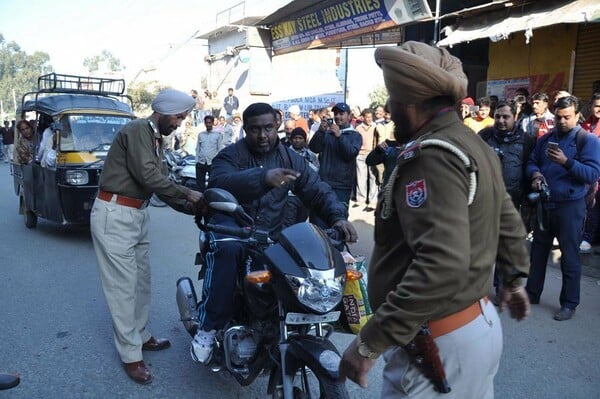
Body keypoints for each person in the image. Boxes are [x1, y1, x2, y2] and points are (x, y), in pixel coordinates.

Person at [339, 41, 531, 398]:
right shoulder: (471, 144)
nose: (390, 111)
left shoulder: (431, 156)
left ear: (409, 103)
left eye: (393, 102)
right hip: (470, 328)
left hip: (438, 345)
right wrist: (515, 277)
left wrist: (369, 342)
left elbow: (441, 264)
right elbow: (506, 218)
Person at [190, 102, 357, 363]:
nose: (263, 135)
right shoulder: (230, 155)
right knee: (228, 251)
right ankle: (208, 328)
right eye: (255, 129)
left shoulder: (291, 158)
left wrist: (338, 217)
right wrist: (262, 178)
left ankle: (280, 327)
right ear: (245, 129)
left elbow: (316, 188)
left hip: (271, 232)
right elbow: (220, 182)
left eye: (268, 128)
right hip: (232, 227)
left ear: (277, 125)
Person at [90, 89, 204, 385]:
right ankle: (131, 355)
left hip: (136, 214)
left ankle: (140, 335)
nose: (179, 123)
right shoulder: (138, 129)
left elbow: (160, 183)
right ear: (163, 111)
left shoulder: (154, 137)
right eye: (178, 117)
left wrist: (194, 209)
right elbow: (150, 178)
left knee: (142, 281)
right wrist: (190, 195)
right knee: (123, 288)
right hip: (115, 214)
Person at [525, 95, 600, 321]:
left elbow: (592, 174)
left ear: (577, 116)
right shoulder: (546, 139)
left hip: (571, 207)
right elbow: (531, 162)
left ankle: (569, 303)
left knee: (569, 256)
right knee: (538, 252)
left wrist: (566, 162)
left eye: (567, 117)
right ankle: (532, 293)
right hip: (546, 203)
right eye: (558, 117)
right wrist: (535, 174)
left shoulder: (587, 141)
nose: (561, 121)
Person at [308, 102, 362, 220]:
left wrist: (339, 136)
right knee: (318, 219)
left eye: (341, 113)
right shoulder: (327, 133)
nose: (338, 116)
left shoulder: (355, 136)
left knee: (337, 220)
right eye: (336, 113)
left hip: (341, 187)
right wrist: (320, 132)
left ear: (349, 116)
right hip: (323, 183)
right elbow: (313, 148)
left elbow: (350, 154)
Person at [283, 127, 320, 227]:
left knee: (300, 224)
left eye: (300, 138)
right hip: (289, 195)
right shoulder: (284, 153)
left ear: (305, 140)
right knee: (288, 224)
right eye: (295, 138)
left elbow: (315, 171)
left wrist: (305, 164)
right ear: (291, 139)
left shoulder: (310, 155)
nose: (297, 140)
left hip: (305, 195)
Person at [580, 92, 600, 252]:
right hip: (589, 173)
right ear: (591, 106)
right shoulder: (585, 126)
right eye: (597, 105)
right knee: (591, 206)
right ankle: (587, 237)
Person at [354, 108, 378, 212]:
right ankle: (361, 199)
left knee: (373, 178)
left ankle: (373, 201)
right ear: (363, 117)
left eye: (370, 117)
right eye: (366, 117)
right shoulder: (358, 128)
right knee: (361, 177)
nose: (368, 119)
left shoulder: (376, 127)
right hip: (361, 154)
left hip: (372, 154)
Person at [195, 115, 224, 192]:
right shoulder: (201, 135)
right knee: (200, 185)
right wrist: (196, 160)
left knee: (212, 183)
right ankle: (200, 201)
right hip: (201, 162)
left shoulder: (218, 135)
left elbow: (220, 149)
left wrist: (217, 162)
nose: (208, 124)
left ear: (212, 123)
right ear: (204, 123)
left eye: (210, 123)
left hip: (212, 163)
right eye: (207, 123)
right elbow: (198, 148)